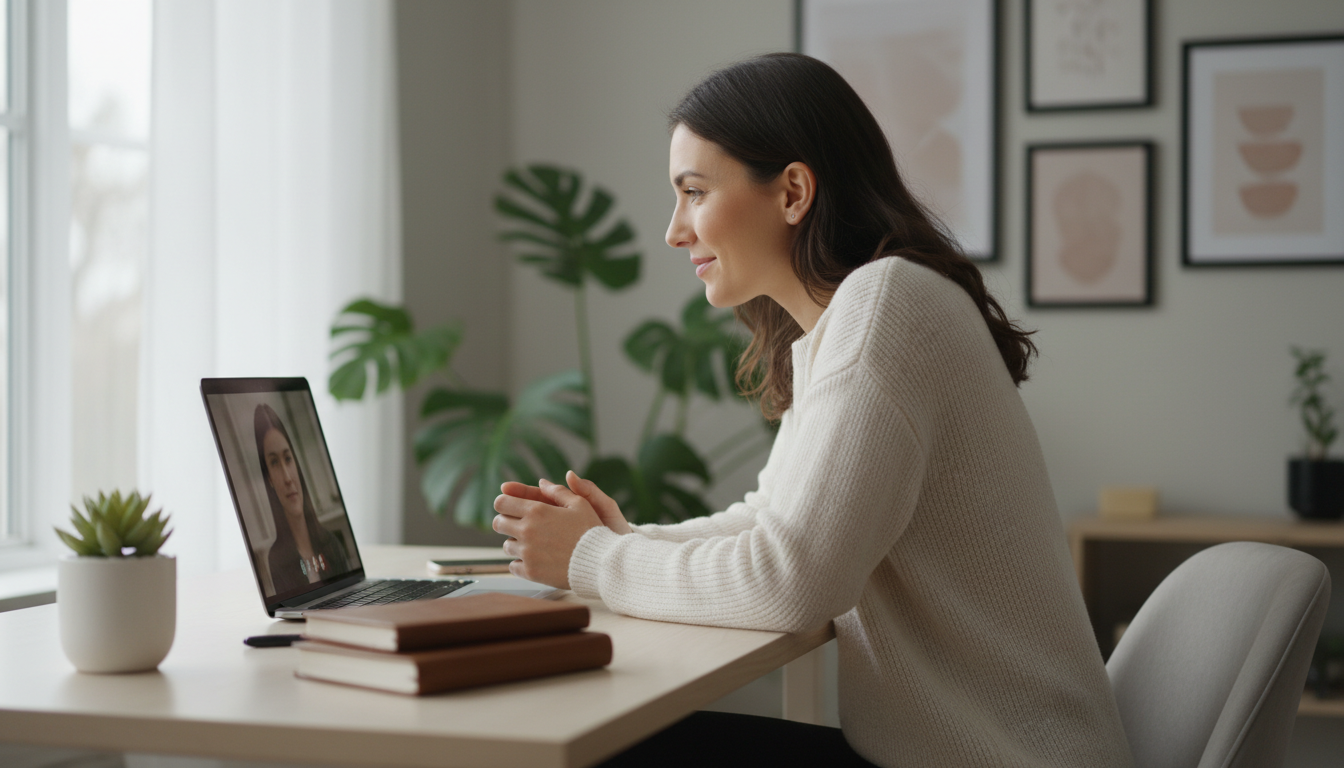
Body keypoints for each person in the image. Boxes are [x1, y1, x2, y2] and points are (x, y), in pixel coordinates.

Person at [492, 53, 1132, 767]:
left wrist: (596, 558)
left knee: (592, 744)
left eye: (695, 192)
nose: (675, 230)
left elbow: (793, 582)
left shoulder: (886, 303)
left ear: (793, 191)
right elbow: (771, 521)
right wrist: (621, 538)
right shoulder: (849, 320)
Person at [253, 403, 350, 596]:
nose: (287, 477)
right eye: (274, 463)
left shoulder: (332, 544)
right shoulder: (277, 561)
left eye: (288, 459)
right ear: (269, 478)